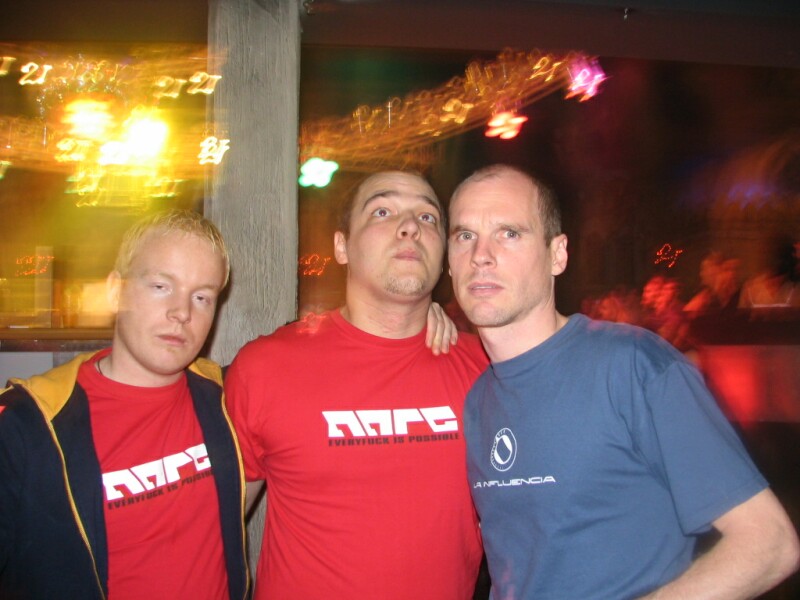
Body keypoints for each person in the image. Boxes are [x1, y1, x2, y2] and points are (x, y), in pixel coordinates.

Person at [447, 164, 799, 600]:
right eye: (465, 235)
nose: (481, 254)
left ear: (557, 254)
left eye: (509, 233)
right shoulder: (478, 399)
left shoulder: (632, 365)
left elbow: (769, 543)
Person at [225, 171, 488, 599]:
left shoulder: (487, 370)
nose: (410, 226)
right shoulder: (266, 369)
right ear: (342, 246)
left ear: (443, 254)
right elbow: (209, 530)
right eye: (382, 212)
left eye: (427, 217)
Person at [0, 210, 249, 599]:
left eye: (202, 297)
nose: (182, 313)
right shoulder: (27, 426)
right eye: (161, 286)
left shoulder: (224, 399)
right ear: (116, 291)